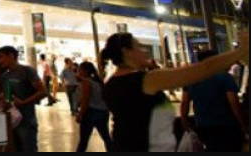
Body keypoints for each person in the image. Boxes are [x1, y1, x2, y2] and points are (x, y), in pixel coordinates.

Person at [103, 31, 249, 152]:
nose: (145, 50)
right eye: (138, 46)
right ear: (126, 51)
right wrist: (242, 50)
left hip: (125, 145)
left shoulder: (111, 83)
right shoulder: (145, 79)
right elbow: (204, 69)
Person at [180, 49, 248, 152]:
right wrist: (243, 125)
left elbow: (184, 103)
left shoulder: (191, 79)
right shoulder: (224, 77)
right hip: (226, 124)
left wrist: (185, 124)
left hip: (202, 125)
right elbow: (233, 102)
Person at [0, 46, 46, 153]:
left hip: (27, 121)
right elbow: (9, 95)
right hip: (12, 121)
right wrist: (5, 101)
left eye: (1, 57)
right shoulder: (5, 77)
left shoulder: (27, 71)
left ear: (11, 55)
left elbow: (43, 92)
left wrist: (23, 102)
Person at [75, 61, 113, 152]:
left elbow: (85, 100)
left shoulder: (86, 82)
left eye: (79, 69)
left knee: (83, 140)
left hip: (91, 113)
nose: (78, 71)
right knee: (106, 137)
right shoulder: (97, 82)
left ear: (85, 71)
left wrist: (80, 114)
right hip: (103, 112)